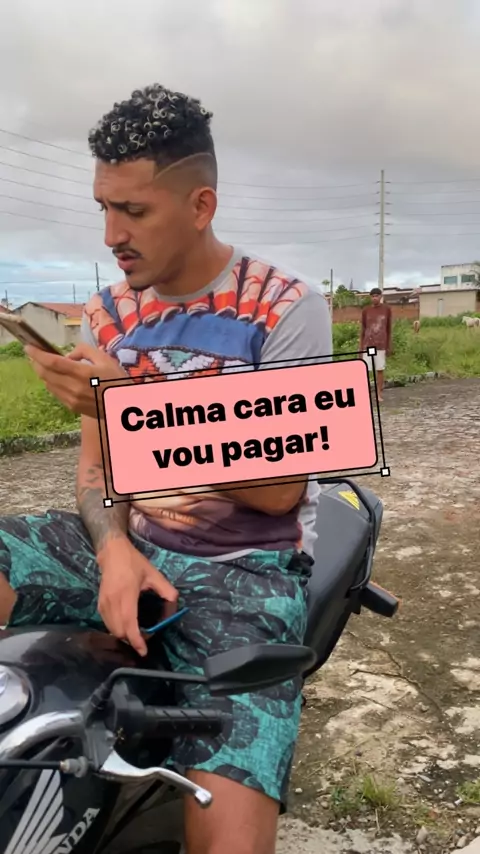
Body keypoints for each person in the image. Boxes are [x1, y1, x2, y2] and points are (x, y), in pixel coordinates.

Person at [0, 84, 331, 854]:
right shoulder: (108, 314)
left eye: (134, 211)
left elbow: (280, 487)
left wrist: (130, 401)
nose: (112, 233)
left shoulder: (287, 308)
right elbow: (97, 473)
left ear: (200, 204)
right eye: (103, 208)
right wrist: (114, 548)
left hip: (247, 570)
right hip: (134, 541)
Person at [360, 287, 392, 402]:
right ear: (370, 297)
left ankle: (379, 394)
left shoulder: (386, 310)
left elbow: (388, 328)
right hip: (369, 345)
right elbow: (363, 329)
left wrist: (388, 346)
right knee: (366, 369)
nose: (375, 298)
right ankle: (365, 394)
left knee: (379, 369)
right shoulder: (366, 310)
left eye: (377, 296)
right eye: (373, 296)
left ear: (380, 296)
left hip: (381, 345)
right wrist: (361, 348)